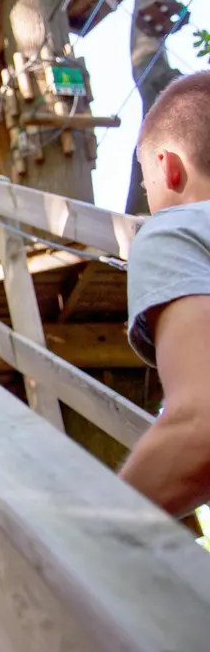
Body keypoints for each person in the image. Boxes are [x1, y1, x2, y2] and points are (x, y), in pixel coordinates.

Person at [119, 70, 210, 520]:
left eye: (145, 179)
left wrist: (87, 541)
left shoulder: (175, 230)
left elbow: (202, 425)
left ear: (167, 167)